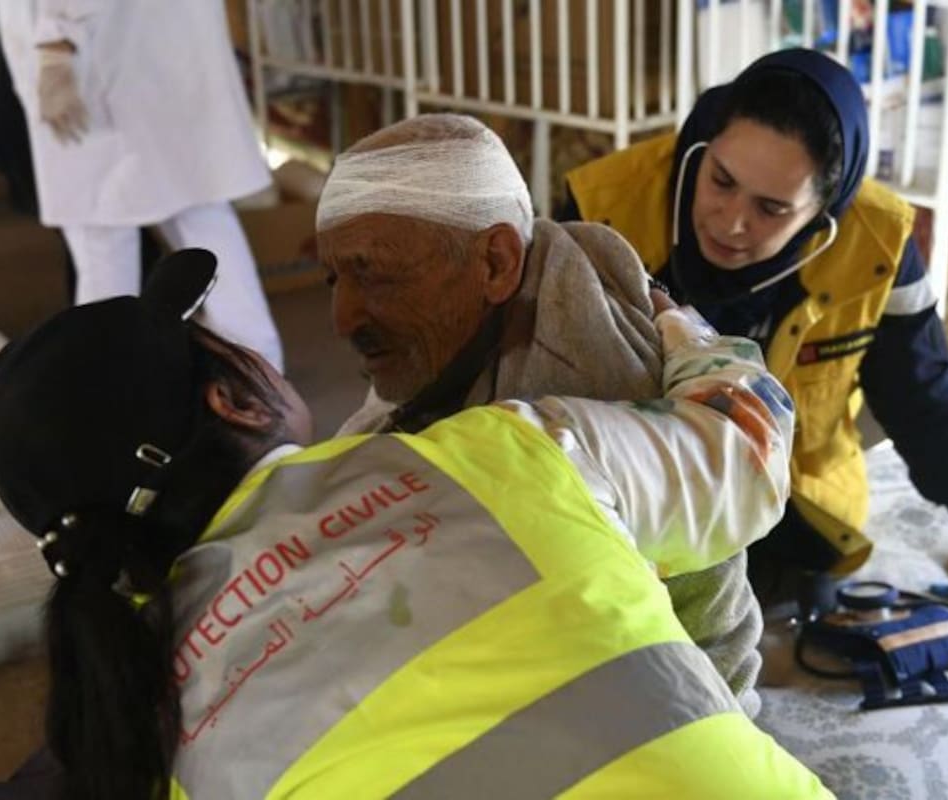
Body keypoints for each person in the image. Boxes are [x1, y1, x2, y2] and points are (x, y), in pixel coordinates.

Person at [0, 248, 830, 800]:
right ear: (232, 398)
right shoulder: (497, 454)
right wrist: (679, 322)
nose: (348, 320)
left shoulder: (151, 731)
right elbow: (746, 450)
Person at [560, 48, 948, 624]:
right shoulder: (603, 208)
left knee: (787, 628)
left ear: (823, 211)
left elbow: (925, 402)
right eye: (721, 181)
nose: (730, 221)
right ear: (705, 147)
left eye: (771, 208)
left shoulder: (875, 243)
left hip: (789, 508)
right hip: (627, 496)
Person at [319, 114, 768, 716]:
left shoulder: (577, 403)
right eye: (333, 277)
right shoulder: (544, 268)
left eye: (373, 273)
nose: (341, 317)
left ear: (498, 262)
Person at [0, 0, 283, 370]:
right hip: (148, 57)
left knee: (103, 238)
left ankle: (112, 387)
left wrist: (57, 43)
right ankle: (258, 371)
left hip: (100, 62)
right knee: (200, 217)